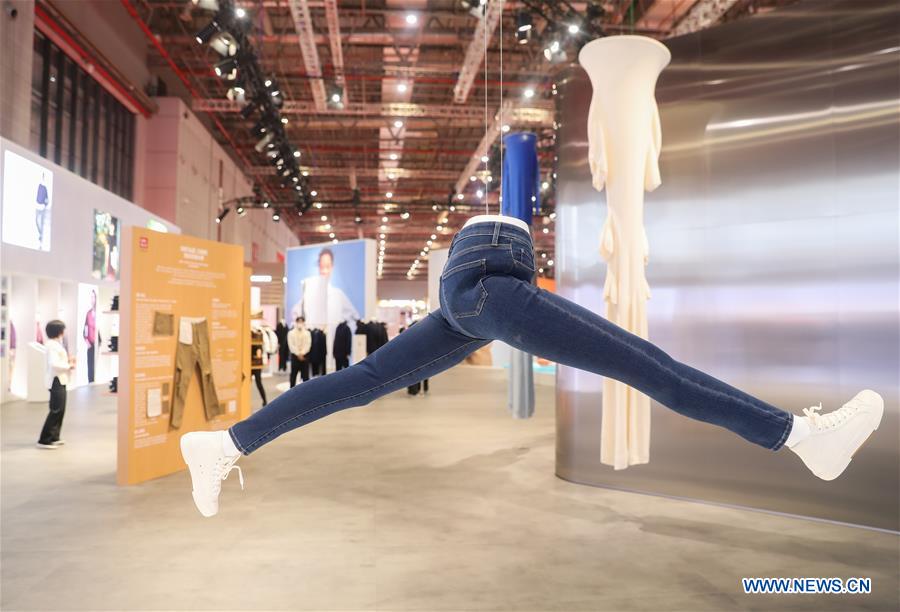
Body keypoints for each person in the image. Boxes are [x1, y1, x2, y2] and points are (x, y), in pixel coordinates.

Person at [180, 215, 884, 518]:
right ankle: (799, 436)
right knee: (651, 367)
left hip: (463, 289)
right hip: (491, 276)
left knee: (361, 383)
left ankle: (227, 443)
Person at [37, 320, 73, 449]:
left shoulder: (55, 344)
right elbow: (54, 364)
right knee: (56, 410)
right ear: (59, 331)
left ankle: (54, 436)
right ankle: (44, 439)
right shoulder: (52, 345)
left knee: (60, 410)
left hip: (60, 379)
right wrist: (69, 366)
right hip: (55, 380)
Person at [287, 316, 311, 388]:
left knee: (305, 377)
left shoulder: (307, 333)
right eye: (299, 321)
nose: (300, 323)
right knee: (293, 376)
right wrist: (298, 354)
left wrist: (302, 353)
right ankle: (292, 391)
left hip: (304, 357)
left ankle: (306, 391)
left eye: (301, 321)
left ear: (303, 322)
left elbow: (308, 344)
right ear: (296, 322)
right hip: (295, 357)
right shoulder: (291, 333)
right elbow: (291, 345)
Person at [83, 290, 98, 383]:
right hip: (90, 343)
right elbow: (85, 328)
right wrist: (86, 340)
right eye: (91, 297)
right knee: (90, 364)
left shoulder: (98, 312)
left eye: (94, 297)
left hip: (97, 343)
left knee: (96, 364)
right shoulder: (88, 313)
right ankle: (91, 382)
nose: (92, 299)